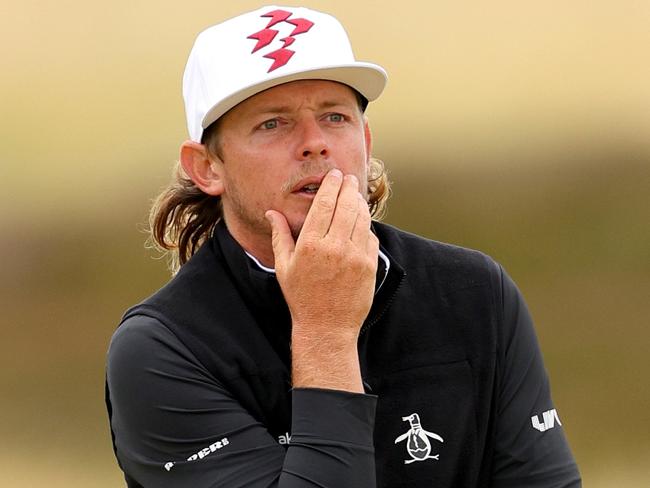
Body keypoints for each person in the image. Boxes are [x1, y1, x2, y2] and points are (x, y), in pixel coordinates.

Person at [105, 5, 581, 487]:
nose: (315, 143)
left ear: (365, 141)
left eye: (335, 117)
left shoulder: (474, 292)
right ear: (207, 167)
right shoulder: (163, 349)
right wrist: (325, 333)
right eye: (273, 123)